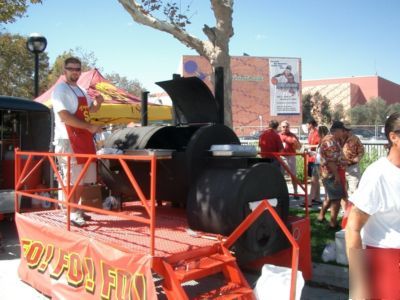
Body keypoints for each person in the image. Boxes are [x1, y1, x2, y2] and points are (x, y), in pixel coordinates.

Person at [346, 112, 400, 299]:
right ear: (394, 137)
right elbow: (353, 228)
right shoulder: (378, 174)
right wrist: (359, 284)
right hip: (387, 262)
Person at [52, 57, 104, 227]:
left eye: (77, 69)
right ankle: (71, 212)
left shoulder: (81, 90)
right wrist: (89, 127)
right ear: (64, 70)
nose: (74, 71)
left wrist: (98, 102)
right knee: (73, 179)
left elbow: (90, 110)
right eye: (71, 68)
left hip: (83, 139)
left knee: (83, 178)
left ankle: (76, 209)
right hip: (68, 139)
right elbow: (64, 116)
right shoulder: (60, 90)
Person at [317, 121, 347, 228]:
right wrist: (337, 176)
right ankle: (333, 223)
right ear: (336, 131)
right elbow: (331, 161)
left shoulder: (334, 140)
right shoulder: (330, 142)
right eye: (342, 130)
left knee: (330, 197)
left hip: (330, 173)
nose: (343, 132)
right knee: (336, 199)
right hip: (331, 174)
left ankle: (321, 216)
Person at [279, 120, 301, 199]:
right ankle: (281, 193)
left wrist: (296, 143)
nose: (285, 128)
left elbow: (299, 147)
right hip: (281, 157)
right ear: (280, 127)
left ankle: (295, 192)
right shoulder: (278, 135)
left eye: (287, 126)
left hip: (291, 157)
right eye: (283, 127)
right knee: (280, 176)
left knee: (293, 176)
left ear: (289, 127)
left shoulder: (292, 136)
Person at [305, 119, 321, 205]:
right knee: (315, 179)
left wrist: (309, 146)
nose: (306, 125)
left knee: (314, 179)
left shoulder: (317, 132)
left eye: (307, 124)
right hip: (310, 158)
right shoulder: (310, 133)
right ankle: (317, 198)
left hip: (316, 158)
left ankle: (310, 200)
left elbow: (319, 144)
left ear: (311, 124)